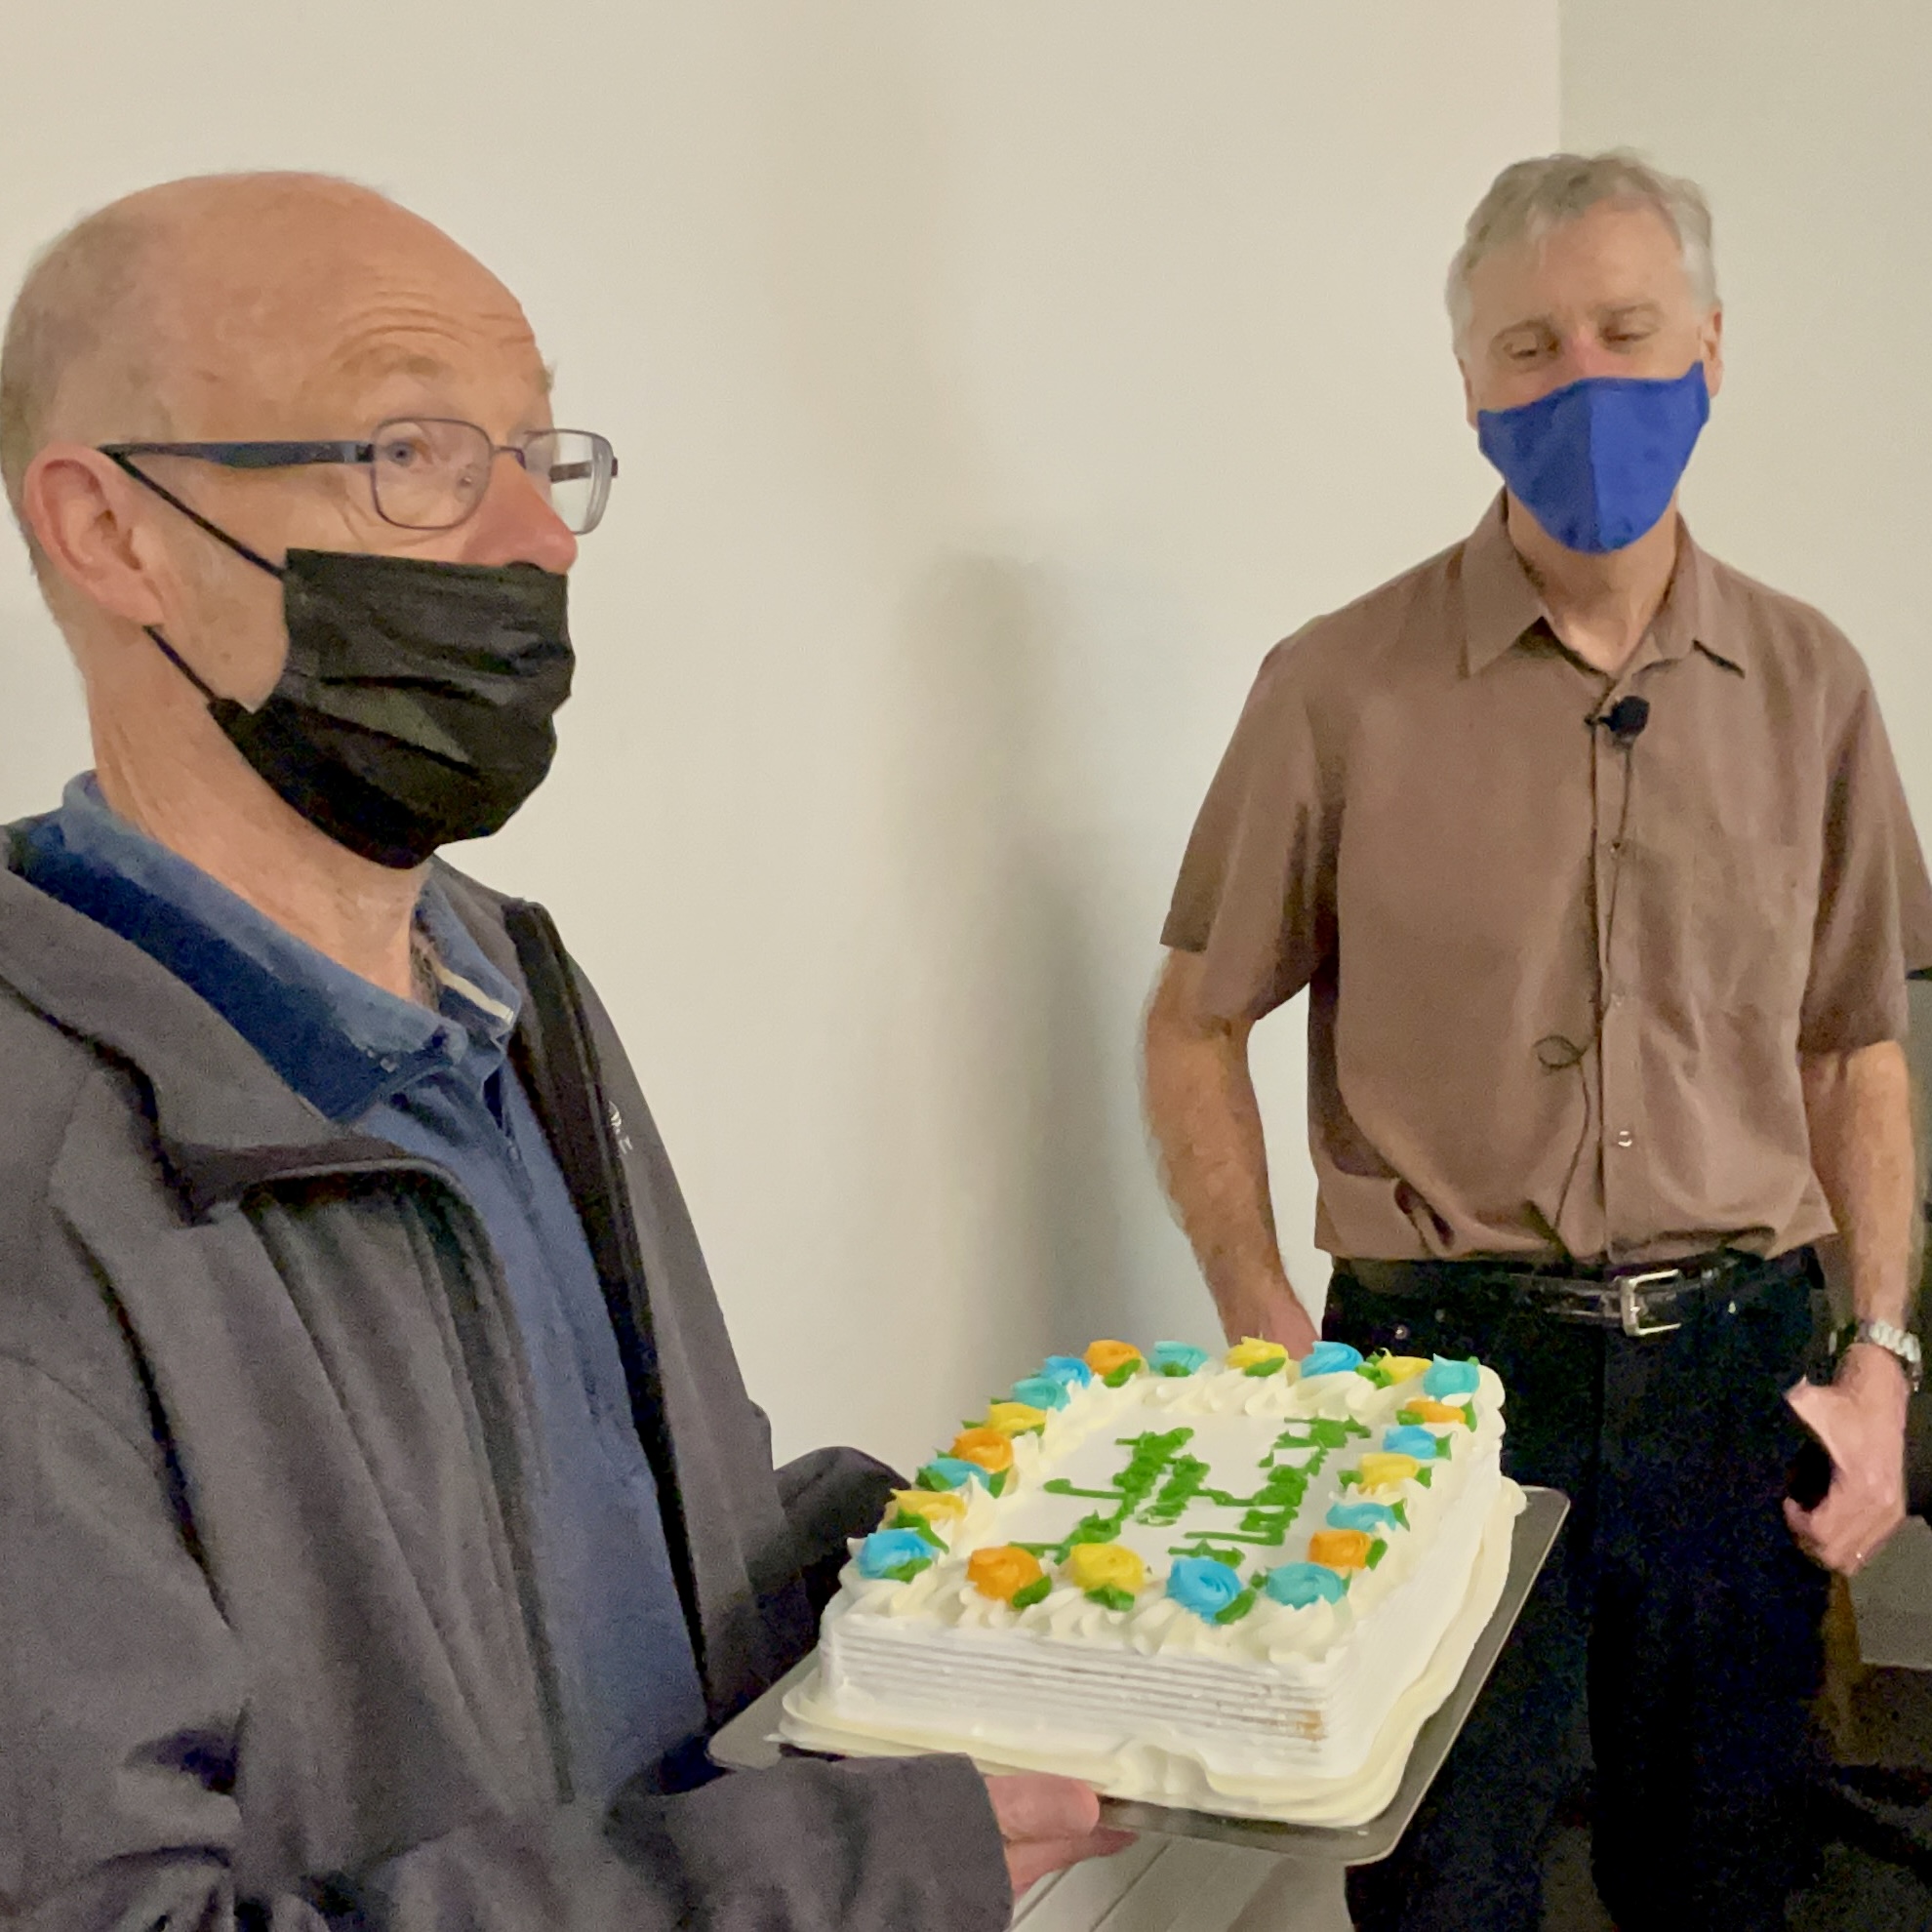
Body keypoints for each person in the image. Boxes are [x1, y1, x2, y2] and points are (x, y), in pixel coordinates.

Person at [0, 172, 1128, 1930]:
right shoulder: (43, 1176)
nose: (538, 537)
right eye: (412, 452)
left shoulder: (506, 983)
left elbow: (605, 1576)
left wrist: (985, 1568)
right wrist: (843, 1875)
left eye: (539, 453)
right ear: (113, 530)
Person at [1142, 150, 1931, 1932]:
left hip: (1741, 1369)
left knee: (1725, 1875)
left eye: (1628, 331)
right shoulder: (1336, 688)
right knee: (1443, 1883)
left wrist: (1882, 1356)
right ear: (1472, 390)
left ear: (1712, 352)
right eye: (1531, 347)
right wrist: (1271, 1330)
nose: (1584, 380)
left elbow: (1856, 1048)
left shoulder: (1814, 687)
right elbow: (1193, 1023)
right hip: (1437, 1379)